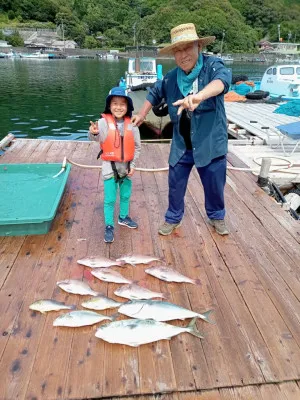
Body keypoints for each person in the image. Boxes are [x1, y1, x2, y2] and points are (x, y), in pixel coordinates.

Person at [132, 23, 231, 236]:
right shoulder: (171, 78)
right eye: (178, 50)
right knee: (175, 183)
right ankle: (173, 217)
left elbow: (222, 82)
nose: (183, 54)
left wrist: (199, 96)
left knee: (214, 184)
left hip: (210, 142)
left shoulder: (212, 66)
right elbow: (154, 93)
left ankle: (217, 216)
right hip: (182, 144)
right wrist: (141, 114)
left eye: (188, 48)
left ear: (198, 47)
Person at [89, 87, 141, 243]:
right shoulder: (102, 123)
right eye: (115, 103)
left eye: (122, 104)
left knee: (125, 195)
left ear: (128, 107)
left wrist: (133, 164)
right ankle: (109, 225)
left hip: (126, 168)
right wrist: (94, 132)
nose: (118, 107)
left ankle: (123, 217)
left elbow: (137, 147)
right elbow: (95, 138)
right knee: (110, 199)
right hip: (109, 168)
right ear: (109, 105)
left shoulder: (132, 124)